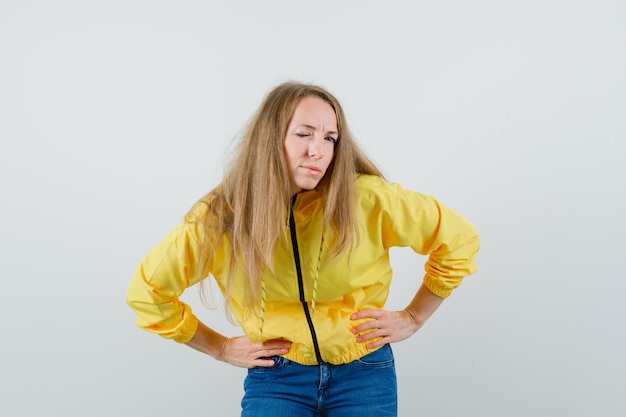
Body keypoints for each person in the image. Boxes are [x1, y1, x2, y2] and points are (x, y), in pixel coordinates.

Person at [126, 81, 480, 417]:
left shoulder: (368, 199)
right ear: (269, 139)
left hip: (364, 370)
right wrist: (218, 347)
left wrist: (414, 317)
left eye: (330, 138)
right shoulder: (222, 217)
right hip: (277, 376)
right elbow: (148, 293)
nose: (319, 151)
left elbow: (459, 240)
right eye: (304, 134)